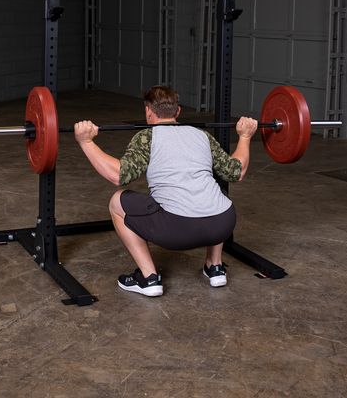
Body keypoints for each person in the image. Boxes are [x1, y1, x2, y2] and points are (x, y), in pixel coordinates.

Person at [73, 85, 258, 297]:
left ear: (148, 111)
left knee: (117, 201)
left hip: (177, 231)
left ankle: (149, 278)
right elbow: (236, 172)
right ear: (178, 112)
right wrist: (245, 137)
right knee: (210, 191)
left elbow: (118, 175)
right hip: (223, 224)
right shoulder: (202, 135)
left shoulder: (147, 137)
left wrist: (86, 142)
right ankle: (215, 266)